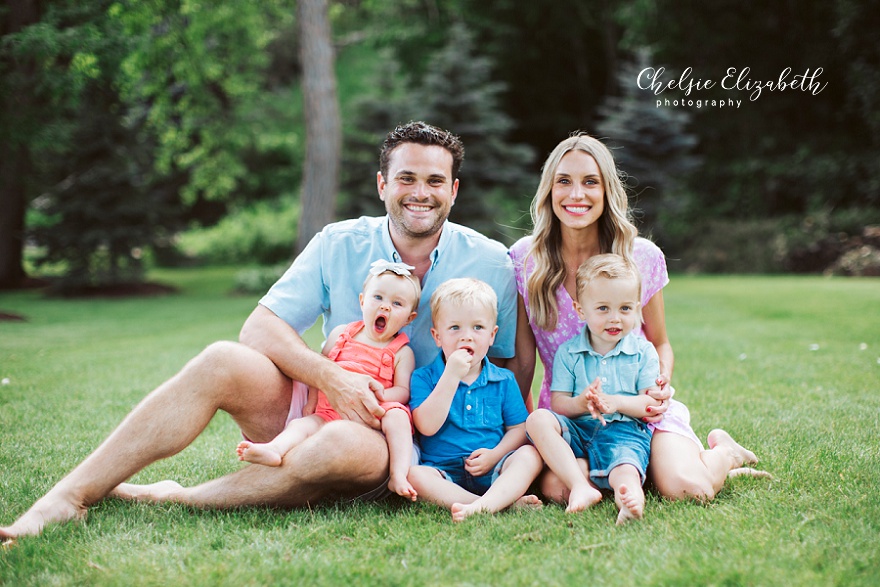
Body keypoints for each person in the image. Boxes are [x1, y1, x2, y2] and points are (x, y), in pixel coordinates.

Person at [0, 121, 517, 542]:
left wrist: (495, 459)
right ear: (383, 184)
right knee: (221, 358)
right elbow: (260, 327)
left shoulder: (491, 262)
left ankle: (178, 494)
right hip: (320, 406)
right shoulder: (338, 242)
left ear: (453, 190)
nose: (419, 193)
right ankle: (67, 497)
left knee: (335, 445)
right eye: (406, 178)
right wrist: (331, 378)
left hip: (402, 443)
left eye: (433, 182)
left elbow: (511, 367)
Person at [507, 132, 768, 504]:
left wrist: (659, 384)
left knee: (686, 490)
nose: (576, 194)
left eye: (590, 182)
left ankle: (723, 453)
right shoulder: (524, 259)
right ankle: (628, 472)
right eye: (564, 181)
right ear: (548, 190)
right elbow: (522, 360)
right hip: (575, 416)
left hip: (639, 409)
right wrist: (522, 433)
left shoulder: (640, 257)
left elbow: (660, 342)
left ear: (607, 190)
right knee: (556, 489)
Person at [236, 260, 421, 501]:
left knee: (398, 417)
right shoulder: (341, 335)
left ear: (409, 317)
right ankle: (274, 449)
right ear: (363, 301)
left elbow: (403, 391)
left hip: (373, 413)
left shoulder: (401, 351)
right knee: (301, 426)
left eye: (397, 304)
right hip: (329, 408)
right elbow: (321, 371)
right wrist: (312, 402)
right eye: (378, 298)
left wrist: (379, 397)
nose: (385, 307)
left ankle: (398, 474)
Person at [526, 254, 659, 524]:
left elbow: (650, 405)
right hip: (578, 431)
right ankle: (581, 486)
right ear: (580, 310)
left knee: (624, 468)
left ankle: (630, 501)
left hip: (622, 430)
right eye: (602, 309)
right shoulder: (569, 352)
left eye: (625, 309)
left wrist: (617, 402)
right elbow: (559, 404)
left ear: (636, 309)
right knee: (538, 419)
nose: (615, 319)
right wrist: (581, 403)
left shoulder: (643, 351)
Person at [406, 278, 543, 522]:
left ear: (492, 335)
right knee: (415, 475)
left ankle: (492, 499)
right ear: (437, 337)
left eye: (477, 328)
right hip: (444, 472)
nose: (466, 337)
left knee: (529, 456)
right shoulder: (424, 377)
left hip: (494, 470)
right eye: (455, 328)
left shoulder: (503, 380)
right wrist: (450, 376)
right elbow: (426, 426)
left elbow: (519, 428)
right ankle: (494, 504)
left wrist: (495, 454)